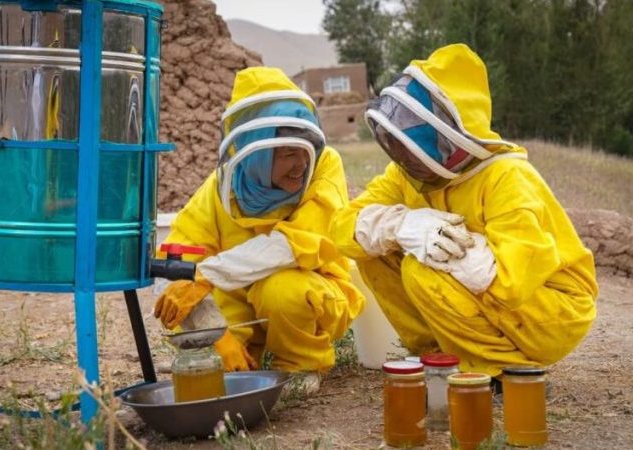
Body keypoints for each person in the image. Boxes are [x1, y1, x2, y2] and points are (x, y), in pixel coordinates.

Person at [332, 44, 598, 378]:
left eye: (416, 139)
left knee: (421, 268)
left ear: (450, 137)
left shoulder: (506, 177)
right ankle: (438, 359)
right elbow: (343, 228)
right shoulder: (406, 174)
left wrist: (452, 247)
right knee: (373, 248)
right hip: (498, 304)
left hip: (552, 310)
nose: (403, 153)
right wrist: (402, 225)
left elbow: (513, 284)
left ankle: (492, 370)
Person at [154, 66, 364, 395]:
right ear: (255, 153)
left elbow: (292, 245)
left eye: (303, 152)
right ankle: (238, 356)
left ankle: (299, 363)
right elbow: (173, 259)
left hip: (309, 294)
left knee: (281, 288)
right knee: (210, 365)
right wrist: (216, 335)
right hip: (240, 303)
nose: (301, 165)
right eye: (286, 154)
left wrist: (205, 274)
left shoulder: (325, 167)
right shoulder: (221, 189)